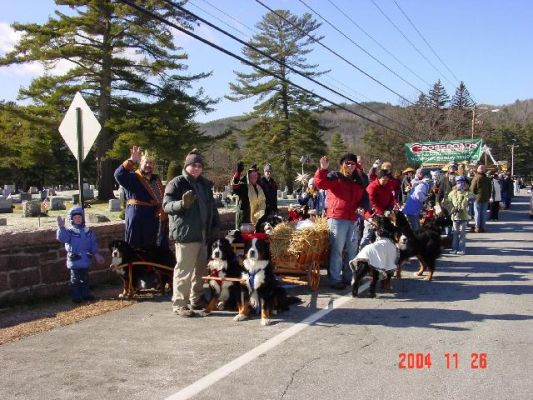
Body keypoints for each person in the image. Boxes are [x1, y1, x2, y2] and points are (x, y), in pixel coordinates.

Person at [163, 149, 221, 317]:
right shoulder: (176, 183)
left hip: (203, 234)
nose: (196, 168)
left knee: (200, 271)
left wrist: (216, 226)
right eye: (193, 165)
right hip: (186, 234)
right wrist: (181, 204)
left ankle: (196, 299)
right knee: (184, 271)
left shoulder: (204, 185)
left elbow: (212, 208)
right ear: (186, 166)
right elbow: (166, 206)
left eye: (199, 165)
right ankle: (180, 303)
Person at [314, 153, 364, 290]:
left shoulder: (357, 181)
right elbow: (320, 183)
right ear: (342, 164)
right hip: (337, 218)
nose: (350, 166)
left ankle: (349, 277)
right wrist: (323, 169)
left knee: (352, 250)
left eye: (352, 163)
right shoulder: (335, 176)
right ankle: (335, 279)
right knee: (337, 250)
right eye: (347, 163)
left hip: (353, 219)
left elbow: (364, 197)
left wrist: (362, 207)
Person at [114, 146, 168, 251]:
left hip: (154, 220)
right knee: (136, 249)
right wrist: (132, 160)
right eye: (146, 162)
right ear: (140, 163)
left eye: (151, 163)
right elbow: (118, 175)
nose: (148, 165)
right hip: (138, 220)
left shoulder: (156, 180)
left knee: (152, 249)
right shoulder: (132, 177)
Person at [56, 206, 104, 303]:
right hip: (75, 259)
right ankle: (76, 296)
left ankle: (86, 294)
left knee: (85, 278)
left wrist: (96, 254)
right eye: (75, 218)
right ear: (71, 219)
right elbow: (63, 238)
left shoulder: (88, 232)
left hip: (85, 259)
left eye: (79, 217)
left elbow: (93, 243)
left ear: (82, 218)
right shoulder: (70, 232)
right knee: (75, 279)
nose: (78, 219)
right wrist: (61, 228)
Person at [359, 169, 399, 250]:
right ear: (379, 178)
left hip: (383, 214)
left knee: (381, 235)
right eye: (384, 180)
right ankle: (361, 252)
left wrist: (390, 208)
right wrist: (382, 212)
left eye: (387, 180)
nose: (385, 182)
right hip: (371, 214)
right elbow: (371, 202)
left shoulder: (387, 186)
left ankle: (379, 252)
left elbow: (391, 198)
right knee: (368, 234)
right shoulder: (372, 186)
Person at [232, 163, 266, 229]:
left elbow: (262, 201)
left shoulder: (259, 188)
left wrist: (261, 214)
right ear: (248, 176)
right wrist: (238, 172)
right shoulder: (243, 186)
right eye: (252, 175)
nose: (254, 177)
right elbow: (235, 186)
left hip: (256, 218)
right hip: (244, 219)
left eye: (255, 175)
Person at [448, 175, 469, 255]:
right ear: (456, 184)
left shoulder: (467, 192)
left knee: (462, 233)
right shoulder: (452, 193)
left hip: (463, 216)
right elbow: (446, 202)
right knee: (455, 233)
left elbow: (472, 198)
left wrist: (465, 202)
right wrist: (452, 208)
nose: (460, 184)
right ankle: (454, 249)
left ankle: (462, 249)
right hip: (455, 216)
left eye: (462, 182)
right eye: (458, 182)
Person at [470, 165, 492, 233]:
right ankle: (483, 227)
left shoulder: (476, 178)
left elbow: (472, 189)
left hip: (477, 198)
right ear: (484, 170)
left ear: (478, 170)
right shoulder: (488, 179)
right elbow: (490, 189)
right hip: (485, 198)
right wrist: (488, 197)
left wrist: (474, 195)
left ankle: (477, 227)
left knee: (477, 213)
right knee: (483, 213)